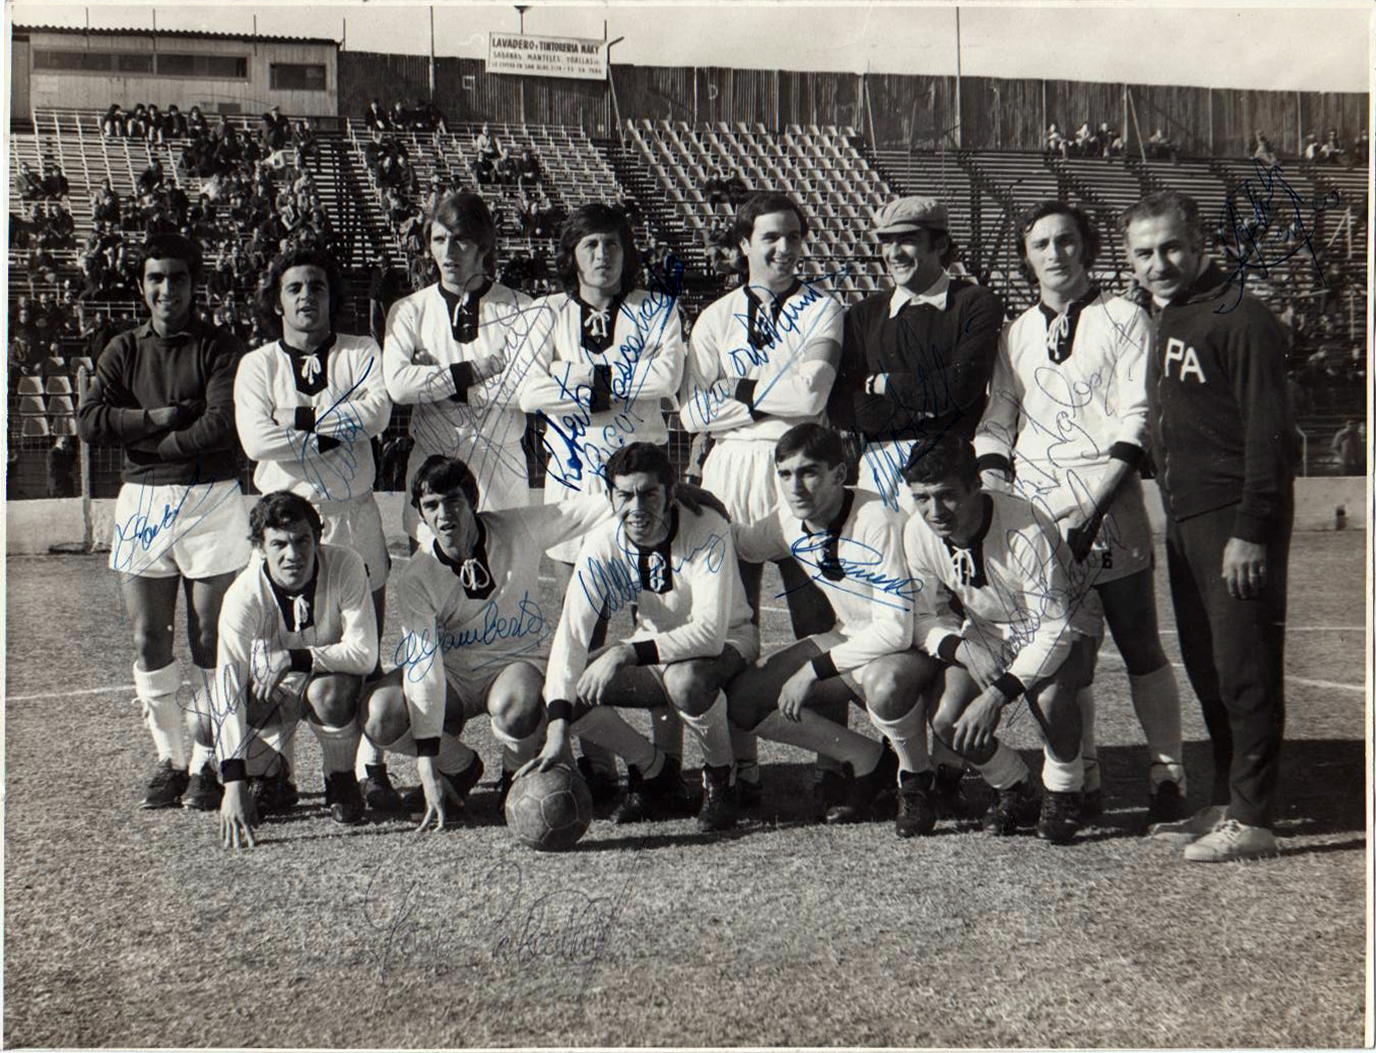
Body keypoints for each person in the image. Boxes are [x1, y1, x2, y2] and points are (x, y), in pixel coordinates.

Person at [975, 201, 1186, 824]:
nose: (1055, 253)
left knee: (1140, 644)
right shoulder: (1015, 333)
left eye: (1066, 241)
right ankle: (1084, 779)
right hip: (1041, 512)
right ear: (1026, 257)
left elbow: (1137, 416)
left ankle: (1167, 776)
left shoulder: (1124, 317)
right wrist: (994, 480)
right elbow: (998, 417)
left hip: (1109, 500)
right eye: (1041, 244)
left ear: (1086, 248)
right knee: (1068, 656)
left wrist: (1094, 503)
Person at [1121, 189, 1294, 862]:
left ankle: (1254, 817)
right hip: (1185, 516)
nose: (1158, 263)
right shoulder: (1168, 315)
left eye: (1171, 248)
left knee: (1245, 666)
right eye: (1144, 253)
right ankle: (1227, 799)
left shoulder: (1239, 316)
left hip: (1232, 516)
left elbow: (1271, 435)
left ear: (1199, 246)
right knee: (1209, 664)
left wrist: (1251, 528)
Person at [678, 190, 849, 805]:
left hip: (797, 466)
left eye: (794, 236)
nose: (784, 248)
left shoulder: (823, 308)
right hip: (729, 470)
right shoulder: (714, 317)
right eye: (770, 237)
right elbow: (691, 411)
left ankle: (837, 764)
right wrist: (773, 390)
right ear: (743, 244)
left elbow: (812, 395)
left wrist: (738, 391)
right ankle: (740, 766)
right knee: (731, 625)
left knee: (819, 620)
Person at [74, 232, 252, 810]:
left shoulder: (220, 347)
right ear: (142, 285)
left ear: (195, 284)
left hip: (211, 499)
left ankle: (207, 762)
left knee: (210, 635)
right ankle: (169, 759)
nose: (166, 289)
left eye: (177, 278)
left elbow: (221, 425)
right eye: (155, 278)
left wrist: (151, 443)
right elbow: (90, 421)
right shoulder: (123, 348)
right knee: (149, 637)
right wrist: (159, 417)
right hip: (144, 503)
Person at [519, 203, 688, 796]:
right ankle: (599, 765)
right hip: (574, 487)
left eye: (612, 244)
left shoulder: (657, 309)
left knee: (657, 621)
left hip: (641, 488)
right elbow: (528, 390)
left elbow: (666, 378)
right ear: (571, 254)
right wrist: (613, 382)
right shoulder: (544, 313)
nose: (601, 255)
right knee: (583, 628)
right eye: (590, 244)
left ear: (626, 251)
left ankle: (668, 764)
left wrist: (575, 376)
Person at [358, 456, 612, 829]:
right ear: (420, 514)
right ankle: (459, 767)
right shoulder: (417, 575)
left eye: (453, 501)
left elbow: (584, 512)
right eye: (431, 505)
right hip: (453, 675)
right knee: (380, 713)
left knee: (518, 702)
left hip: (513, 666)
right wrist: (427, 763)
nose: (444, 514)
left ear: (473, 501)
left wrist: (670, 492)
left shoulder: (517, 528)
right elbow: (424, 667)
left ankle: (514, 774)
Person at [235, 244, 400, 812]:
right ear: (277, 302)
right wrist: (335, 428)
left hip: (353, 514)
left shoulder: (362, 351)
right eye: (295, 288)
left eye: (318, 287)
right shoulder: (258, 365)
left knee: (364, 649)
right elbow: (256, 440)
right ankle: (274, 771)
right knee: (272, 649)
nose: (307, 296)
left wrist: (295, 423)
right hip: (284, 521)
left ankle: (366, 770)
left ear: (333, 297)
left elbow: (377, 415)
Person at [523, 442, 757, 830]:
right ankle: (655, 773)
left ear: (671, 494)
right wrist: (558, 727)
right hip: (654, 648)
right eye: (625, 495)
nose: (636, 507)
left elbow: (710, 634)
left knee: (684, 681)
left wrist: (624, 653)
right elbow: (572, 634)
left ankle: (722, 779)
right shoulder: (602, 542)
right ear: (610, 496)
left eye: (649, 494)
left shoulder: (706, 527)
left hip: (728, 642)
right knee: (557, 688)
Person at [728, 423, 946, 831]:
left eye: (809, 472)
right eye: (785, 474)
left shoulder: (877, 519)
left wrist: (812, 670)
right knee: (744, 700)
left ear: (839, 474)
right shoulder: (787, 520)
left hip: (915, 644)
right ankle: (869, 760)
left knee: (884, 684)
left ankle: (916, 780)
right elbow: (740, 542)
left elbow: (896, 631)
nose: (796, 487)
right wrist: (692, 502)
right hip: (853, 637)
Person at [903, 434, 1099, 844]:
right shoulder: (917, 532)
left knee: (1048, 698)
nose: (934, 511)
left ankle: (1065, 791)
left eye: (947, 495)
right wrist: (962, 648)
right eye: (922, 498)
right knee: (948, 720)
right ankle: (1015, 787)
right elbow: (923, 616)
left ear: (976, 484)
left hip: (1063, 624)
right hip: (989, 628)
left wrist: (996, 695)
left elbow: (1053, 628)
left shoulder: (1025, 525)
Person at [214, 493, 379, 848]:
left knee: (332, 693)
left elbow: (365, 654)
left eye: (302, 540)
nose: (293, 554)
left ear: (317, 537)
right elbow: (228, 688)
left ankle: (340, 778)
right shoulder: (243, 595)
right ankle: (271, 775)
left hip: (326, 681)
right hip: (270, 691)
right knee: (201, 717)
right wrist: (234, 783)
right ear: (260, 547)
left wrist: (294, 657)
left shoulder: (345, 563)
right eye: (279, 544)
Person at [829, 195, 1005, 513]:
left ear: (940, 244)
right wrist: (929, 409)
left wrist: (881, 385)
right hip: (879, 467)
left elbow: (959, 389)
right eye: (887, 242)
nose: (894, 253)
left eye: (908, 240)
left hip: (950, 466)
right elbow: (842, 406)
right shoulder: (864, 313)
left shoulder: (975, 302)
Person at [383, 192, 541, 531]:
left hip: (500, 469)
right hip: (432, 464)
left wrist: (436, 381)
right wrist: (475, 371)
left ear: (483, 246)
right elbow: (398, 386)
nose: (448, 252)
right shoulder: (408, 310)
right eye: (439, 240)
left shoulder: (522, 308)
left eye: (461, 240)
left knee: (503, 561)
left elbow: (525, 389)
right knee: (430, 562)